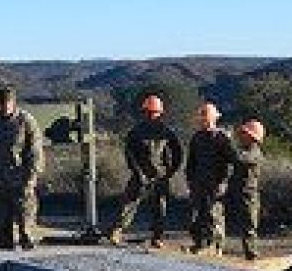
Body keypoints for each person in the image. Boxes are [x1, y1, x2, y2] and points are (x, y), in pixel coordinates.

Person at [109, 93, 184, 246]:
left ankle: (157, 237)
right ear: (144, 113)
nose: (152, 115)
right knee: (129, 203)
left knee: (160, 207)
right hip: (140, 173)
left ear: (160, 113)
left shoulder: (166, 132)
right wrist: (138, 173)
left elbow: (178, 152)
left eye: (155, 112)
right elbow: (129, 154)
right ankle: (117, 231)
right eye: (149, 112)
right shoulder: (136, 132)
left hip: (160, 175)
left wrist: (170, 172)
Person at [0, 84, 44, 250]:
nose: (4, 106)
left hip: (20, 182)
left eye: (7, 102)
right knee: (2, 230)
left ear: (13, 101)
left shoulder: (26, 121)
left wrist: (30, 181)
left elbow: (35, 154)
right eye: (1, 102)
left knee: (26, 230)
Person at [184, 101, 237, 255]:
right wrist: (190, 179)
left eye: (206, 119)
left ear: (214, 119)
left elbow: (232, 160)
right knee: (198, 214)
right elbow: (191, 161)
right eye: (202, 119)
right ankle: (200, 243)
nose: (204, 122)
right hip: (199, 182)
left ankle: (216, 246)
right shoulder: (197, 137)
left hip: (216, 183)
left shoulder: (222, 138)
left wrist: (224, 182)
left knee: (214, 214)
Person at [228, 118, 267, 260]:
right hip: (237, 192)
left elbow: (238, 158)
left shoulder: (255, 153)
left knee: (249, 226)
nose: (241, 136)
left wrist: (228, 143)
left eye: (244, 134)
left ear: (252, 137)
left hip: (248, 195)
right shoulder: (245, 150)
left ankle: (252, 255)